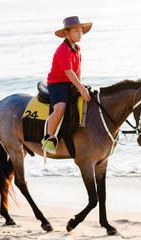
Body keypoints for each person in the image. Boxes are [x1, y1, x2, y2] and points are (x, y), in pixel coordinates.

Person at [42, 16, 92, 154]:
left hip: (70, 82)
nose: (80, 33)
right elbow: (68, 71)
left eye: (81, 31)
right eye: (76, 31)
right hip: (57, 83)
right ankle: (48, 137)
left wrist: (80, 84)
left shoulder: (77, 48)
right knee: (60, 107)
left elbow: (78, 69)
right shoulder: (63, 49)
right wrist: (80, 88)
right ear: (66, 33)